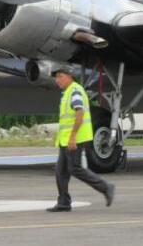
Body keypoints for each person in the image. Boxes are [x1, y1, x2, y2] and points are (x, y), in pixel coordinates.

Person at [47, 64, 115, 212]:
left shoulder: (75, 91)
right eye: (56, 77)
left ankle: (106, 187)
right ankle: (64, 202)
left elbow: (80, 113)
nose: (57, 80)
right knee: (60, 171)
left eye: (60, 76)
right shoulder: (68, 92)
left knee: (75, 169)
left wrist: (72, 137)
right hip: (66, 139)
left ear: (70, 76)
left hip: (75, 139)